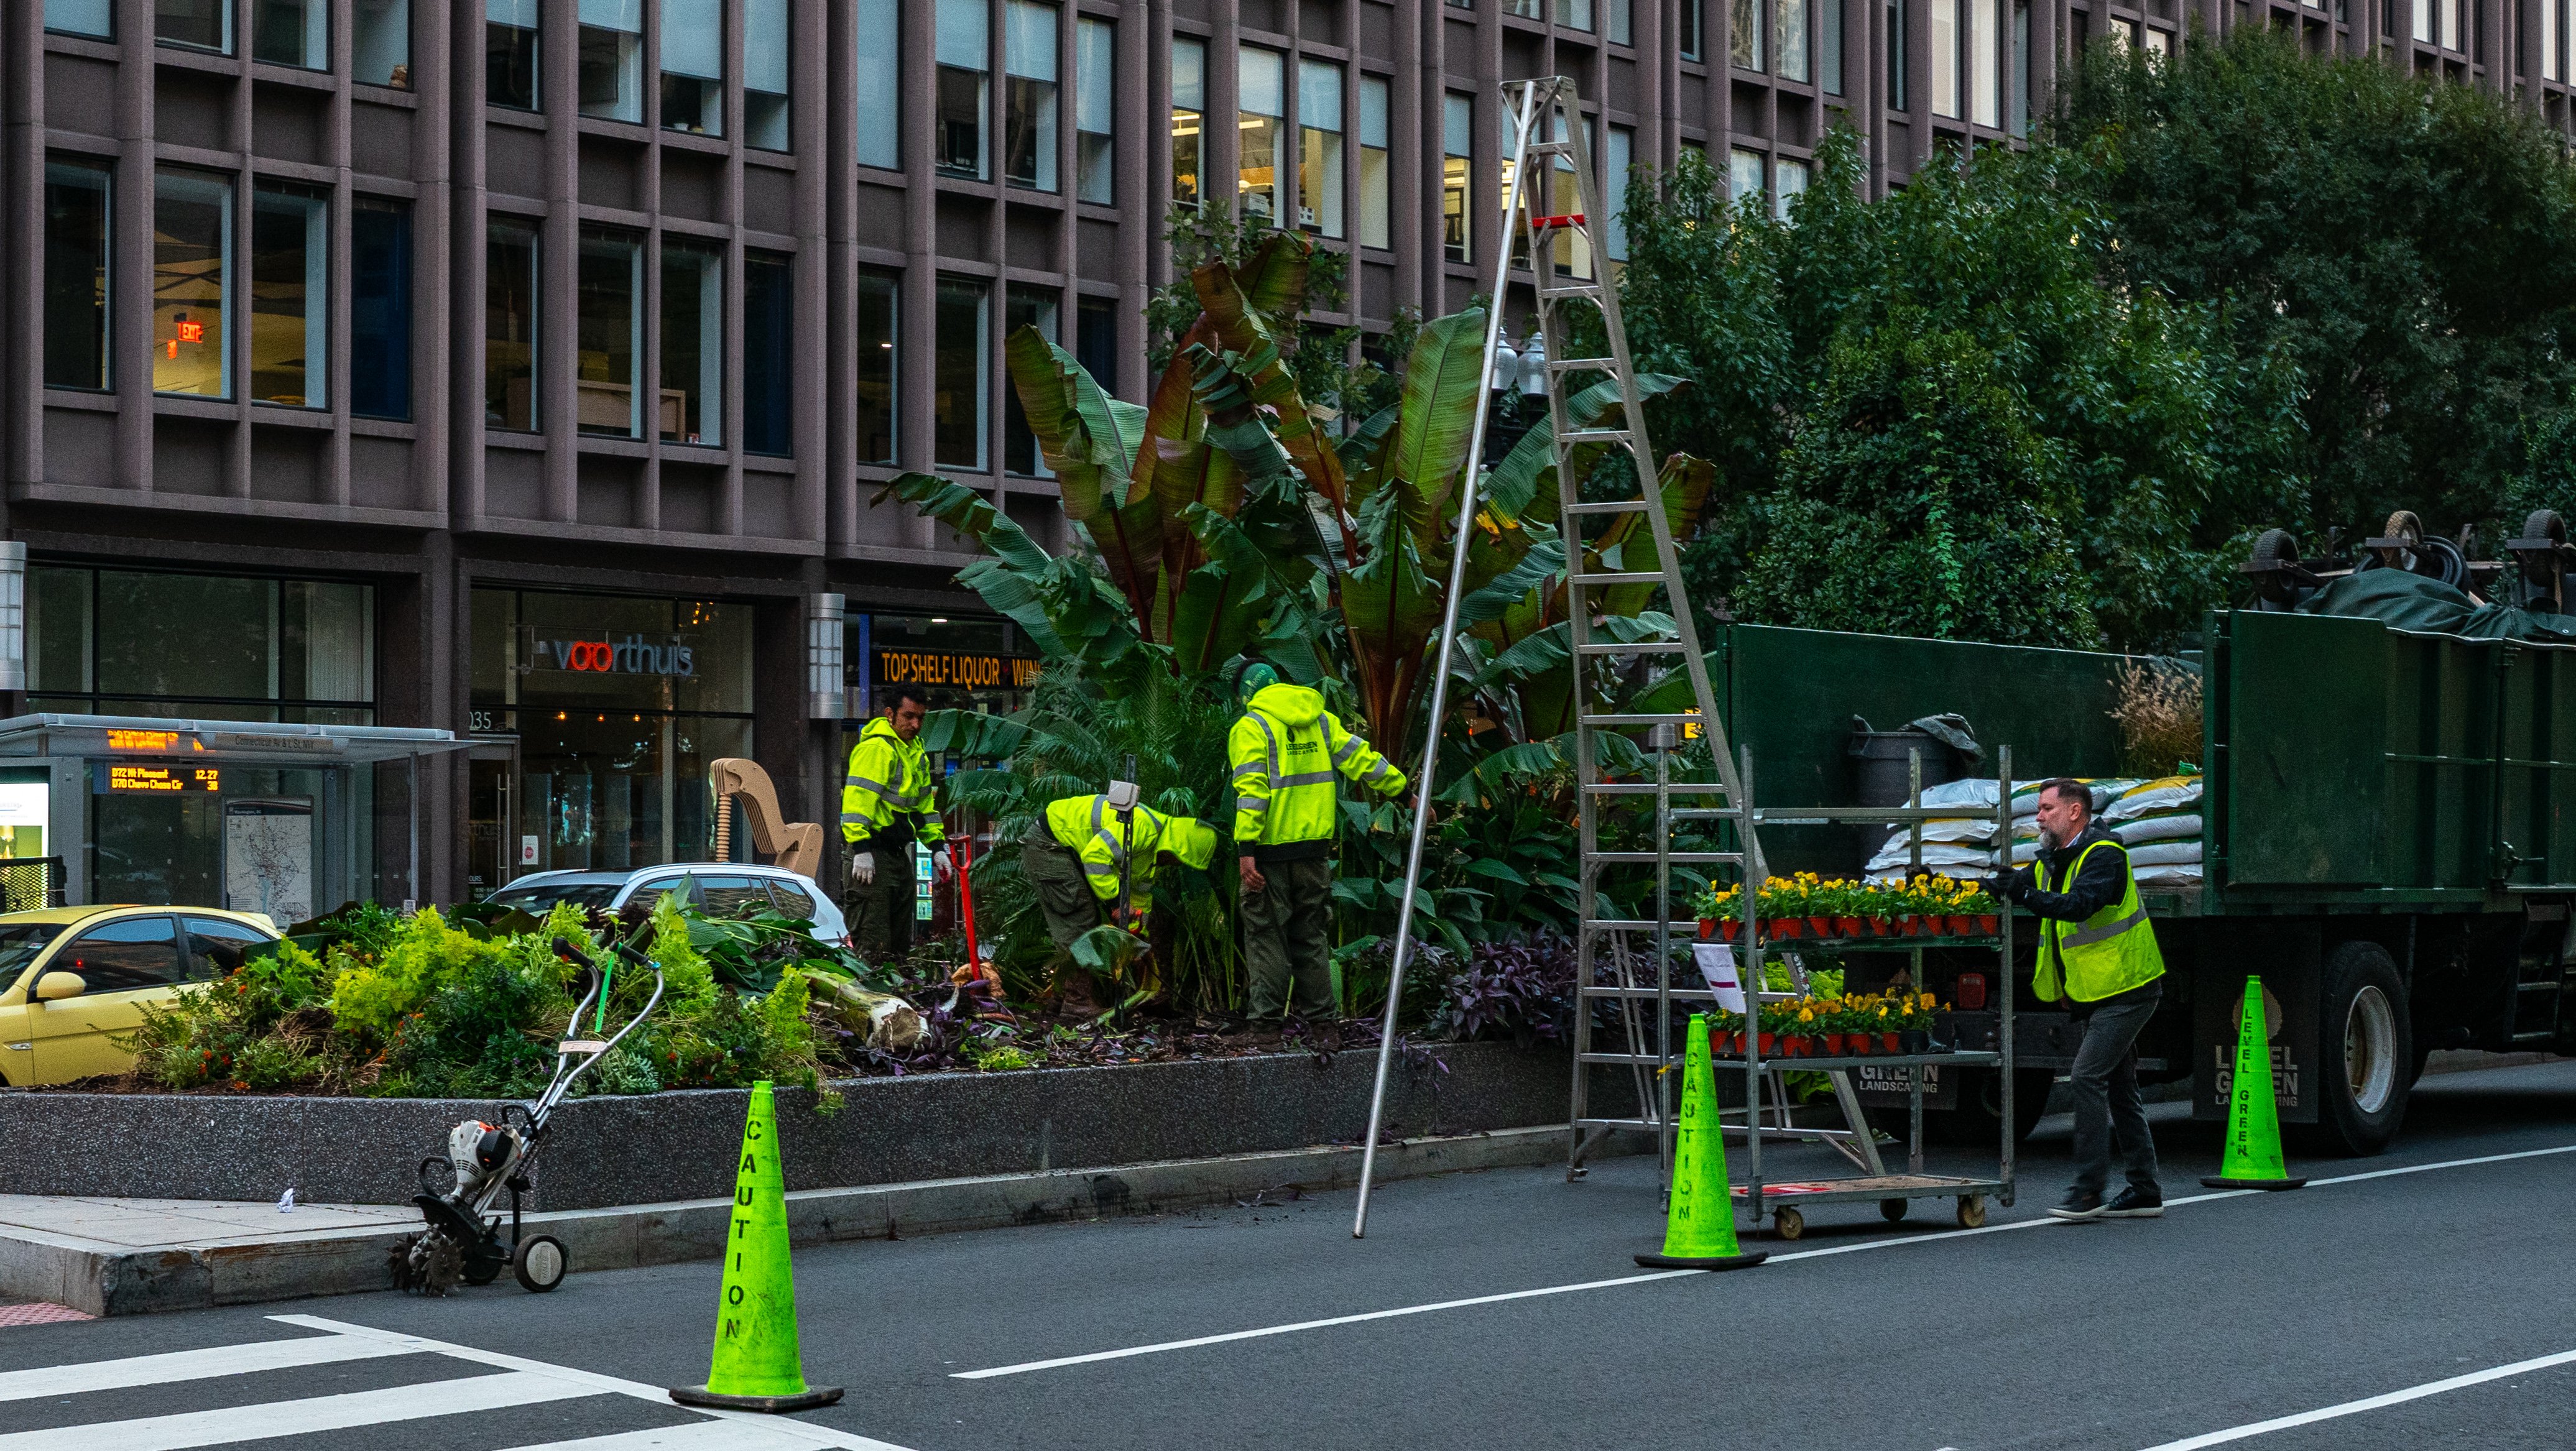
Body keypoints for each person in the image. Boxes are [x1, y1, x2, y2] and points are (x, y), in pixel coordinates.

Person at [1990, 777, 2167, 1223]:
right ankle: (2145, 1190)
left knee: (2086, 1078)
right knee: (2121, 1089)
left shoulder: (2103, 855)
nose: (2038, 816)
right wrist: (1946, 885)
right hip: (2098, 992)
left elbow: (2079, 905)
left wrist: (2025, 894)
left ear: (2074, 812)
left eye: (2046, 808)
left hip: (2128, 988)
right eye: (2038, 809)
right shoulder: (2055, 860)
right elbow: (2012, 885)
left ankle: (2088, 1191)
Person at [1226, 660, 1409, 1026]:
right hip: (1314, 852)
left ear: (1245, 695)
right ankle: (1323, 1024)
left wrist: (1247, 850)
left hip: (1269, 854)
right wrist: (1406, 793)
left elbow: (1252, 791)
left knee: (1267, 935)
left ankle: (1265, 1024)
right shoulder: (1321, 719)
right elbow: (1362, 759)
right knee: (1310, 936)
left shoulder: (1251, 726)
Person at [1023, 792, 1218, 1015]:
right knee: (1079, 916)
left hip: (1066, 848)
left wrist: (1137, 937)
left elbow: (1139, 898)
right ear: (1177, 847)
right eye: (1179, 859)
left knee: (1083, 916)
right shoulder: (1142, 827)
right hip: (1049, 842)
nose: (1174, 864)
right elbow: (1095, 858)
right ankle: (1076, 1003)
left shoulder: (1150, 857)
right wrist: (1116, 903)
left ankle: (1060, 1000)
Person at [841, 684, 947, 964]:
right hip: (872, 857)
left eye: (921, 718)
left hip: (896, 856)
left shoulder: (915, 753)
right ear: (890, 714)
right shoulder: (877, 749)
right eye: (909, 716)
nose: (916, 724)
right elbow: (856, 803)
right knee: (873, 947)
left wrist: (938, 847)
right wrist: (861, 848)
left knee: (899, 949)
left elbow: (925, 809)